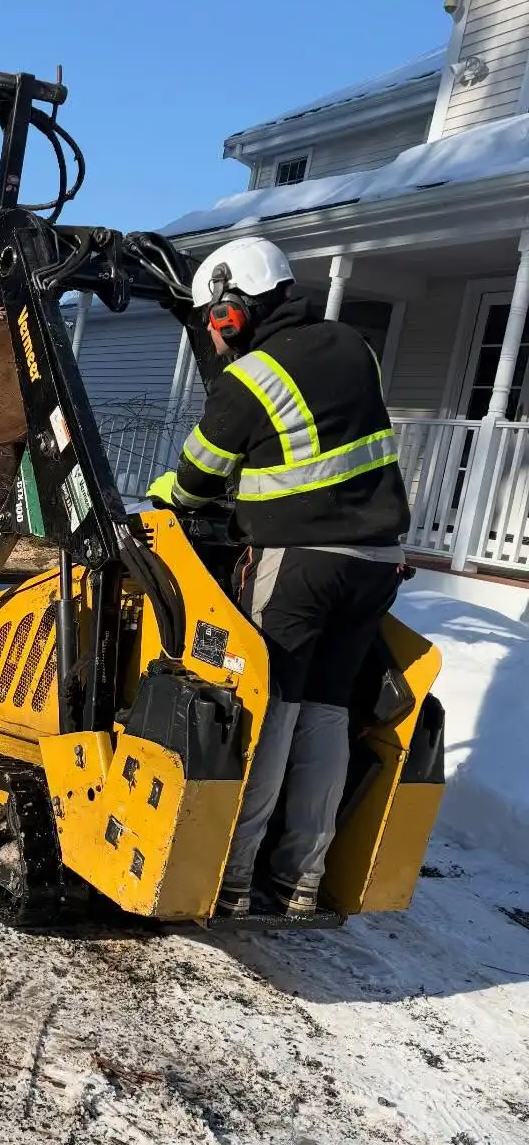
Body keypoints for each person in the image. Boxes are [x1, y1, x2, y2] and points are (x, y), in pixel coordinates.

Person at [147, 236, 411, 918]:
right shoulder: (357, 348)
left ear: (235, 307)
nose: (213, 330)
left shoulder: (251, 377)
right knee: (327, 713)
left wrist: (169, 499)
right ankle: (299, 879)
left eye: (214, 316)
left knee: (271, 706)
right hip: (377, 562)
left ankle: (232, 877)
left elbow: (200, 475)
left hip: (301, 563)